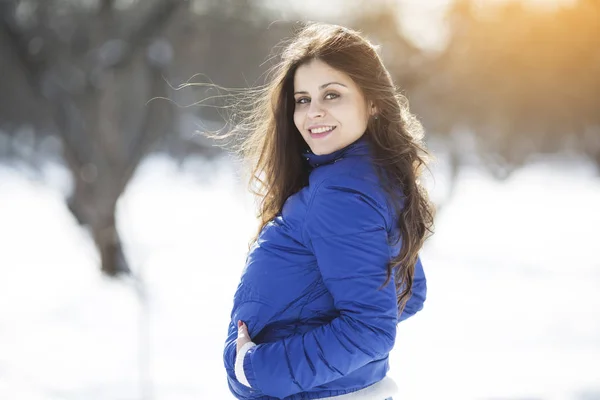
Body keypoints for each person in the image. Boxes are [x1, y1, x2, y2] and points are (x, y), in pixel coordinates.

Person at [222, 22, 434, 400]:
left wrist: (255, 369)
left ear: (373, 102)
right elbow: (408, 294)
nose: (312, 113)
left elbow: (371, 328)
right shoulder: (375, 178)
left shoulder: (341, 193)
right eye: (302, 100)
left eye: (332, 95)